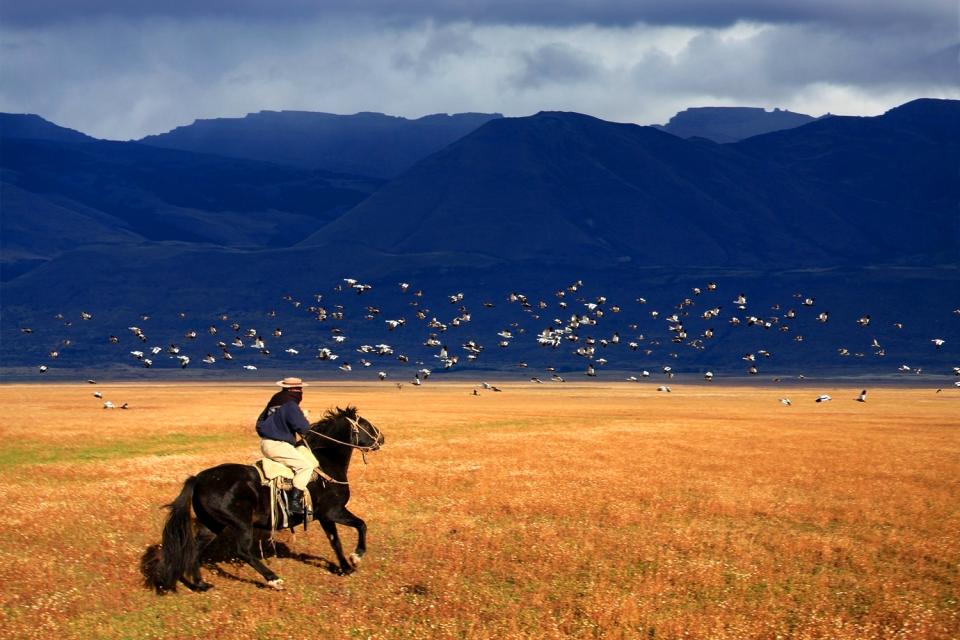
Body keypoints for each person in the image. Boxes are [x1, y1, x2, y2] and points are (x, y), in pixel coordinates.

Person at [256, 377, 319, 515]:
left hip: (266, 443)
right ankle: (294, 502)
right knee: (306, 466)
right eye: (300, 389)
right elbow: (303, 428)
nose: (301, 391)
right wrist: (303, 418)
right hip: (278, 445)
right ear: (294, 389)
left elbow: (261, 422)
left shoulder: (275, 400)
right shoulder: (290, 404)